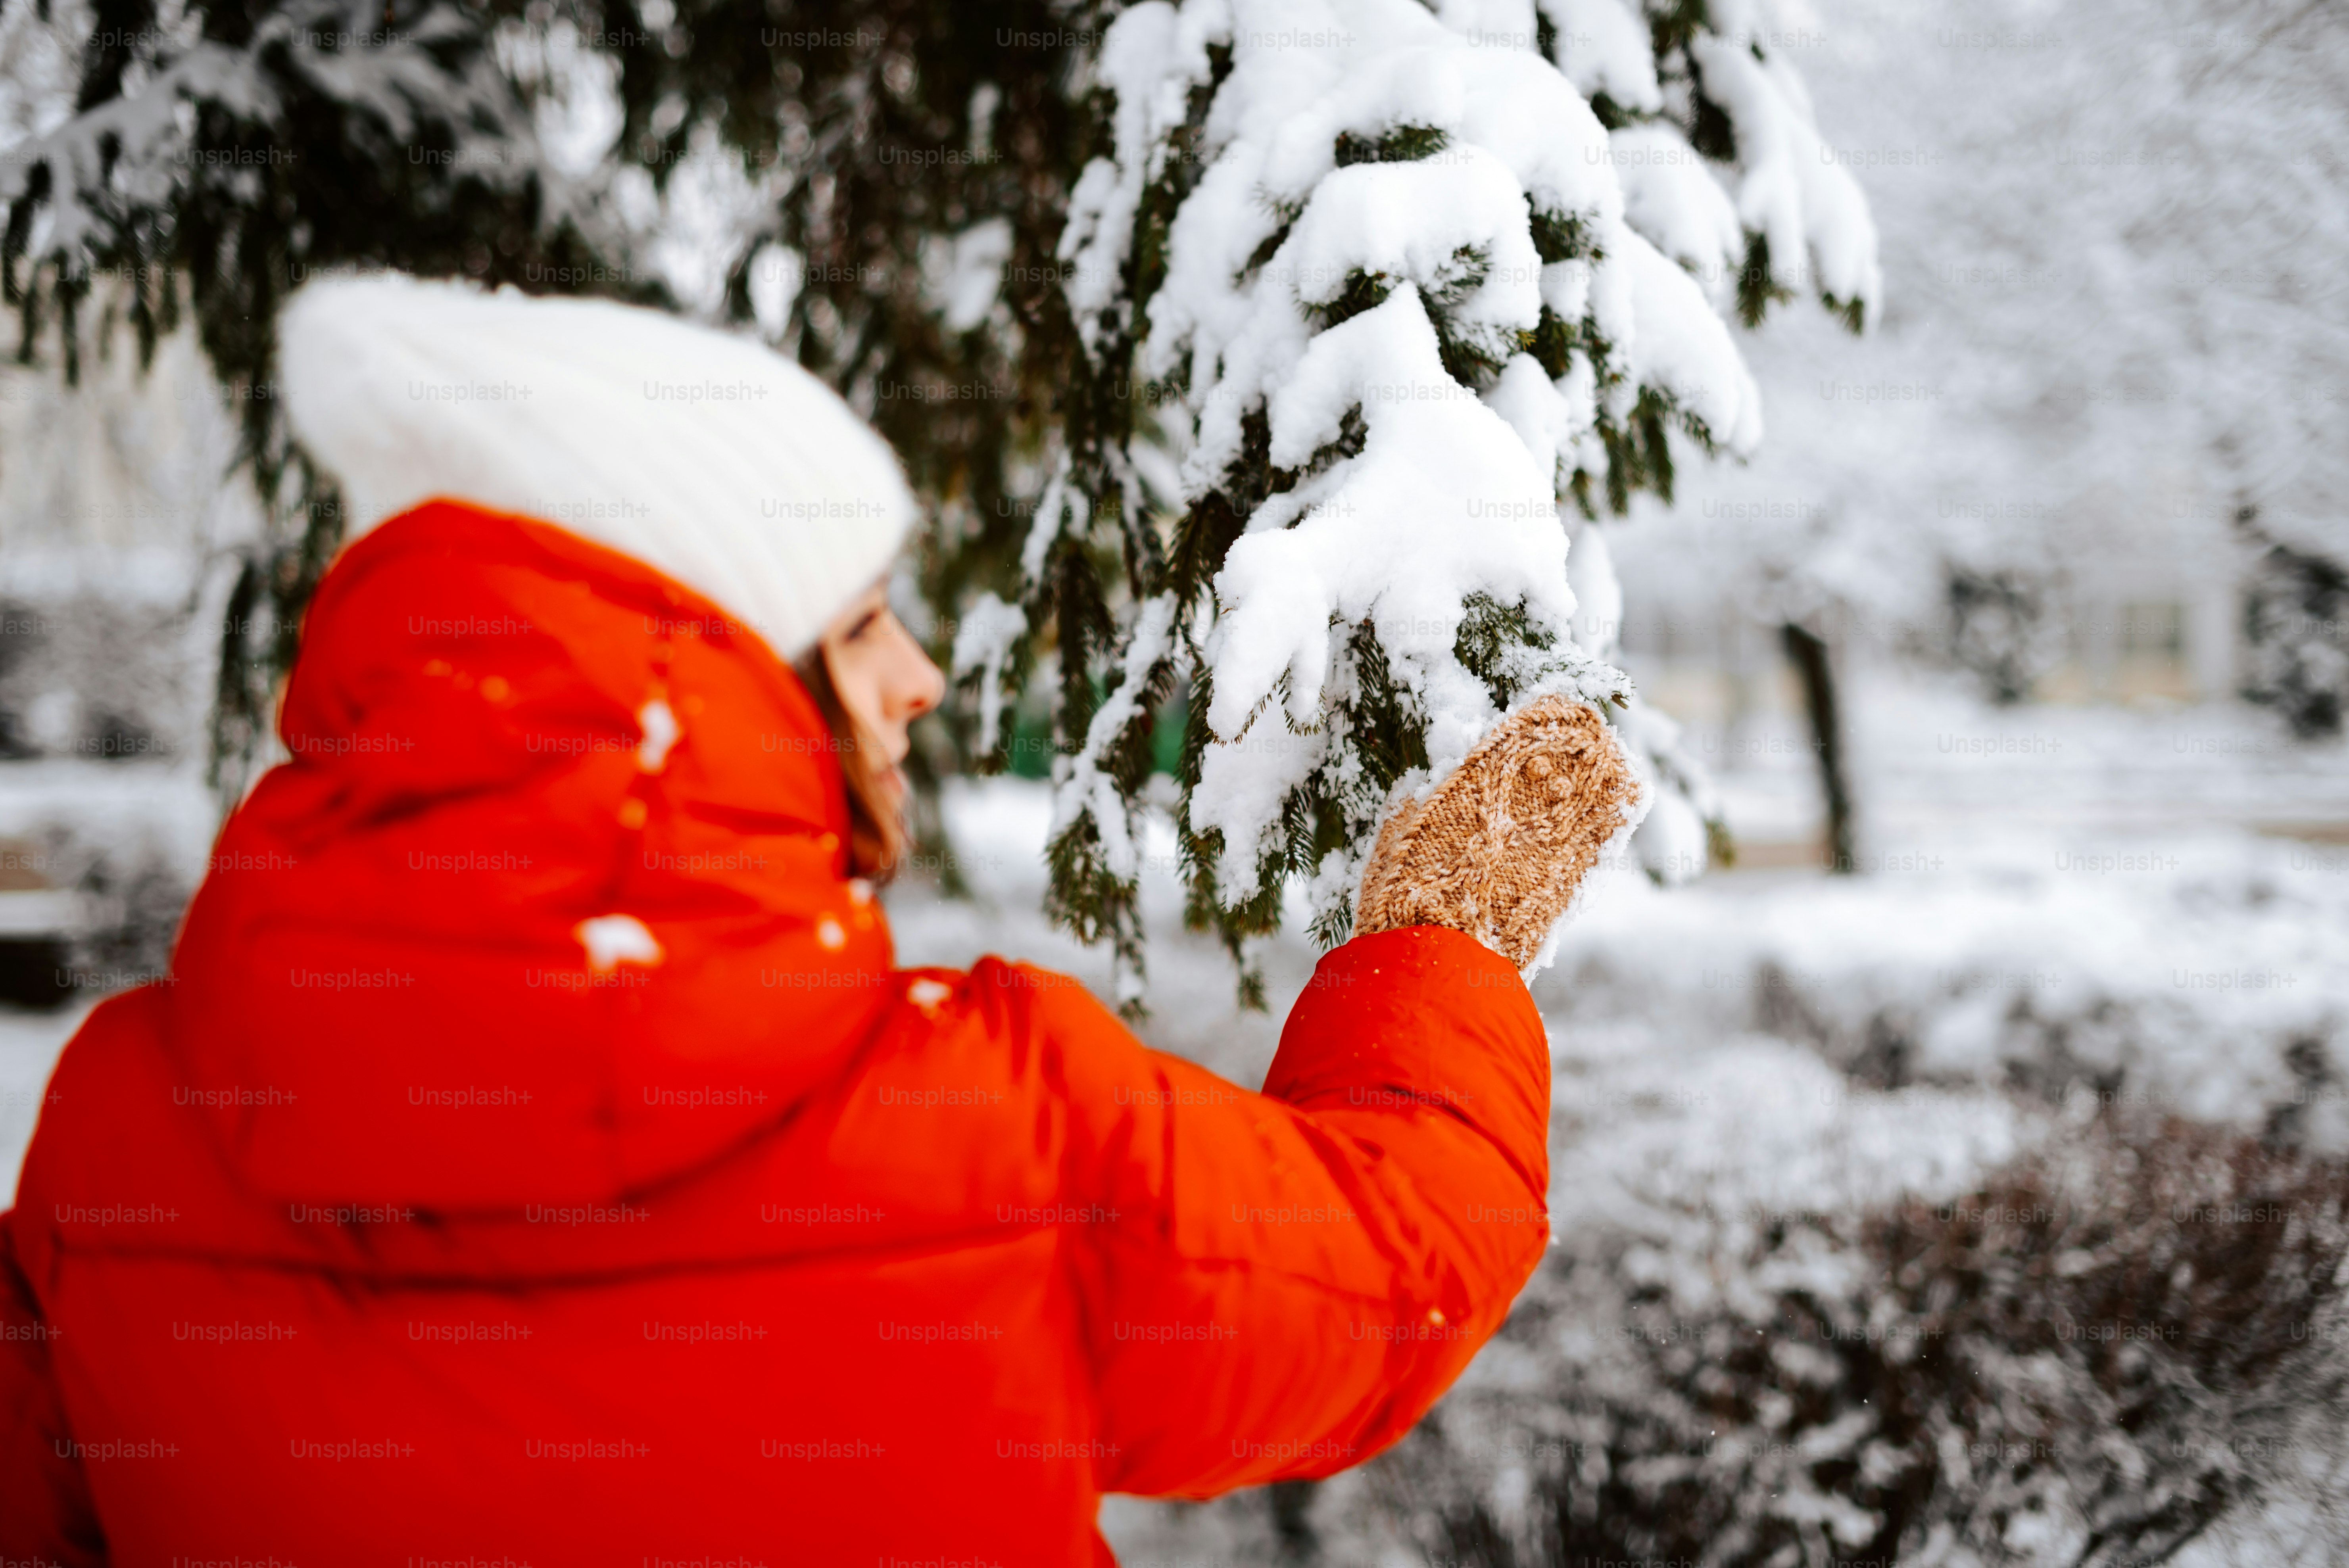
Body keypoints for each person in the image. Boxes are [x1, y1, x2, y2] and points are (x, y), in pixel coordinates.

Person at [0, 276, 1637, 1562]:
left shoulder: (117, 1140)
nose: (921, 674)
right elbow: (1384, 1272)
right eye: (859, 625)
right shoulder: (990, 1127)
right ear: (728, 672)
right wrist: (1447, 940)